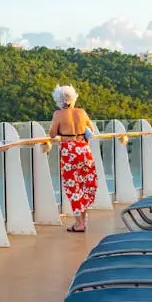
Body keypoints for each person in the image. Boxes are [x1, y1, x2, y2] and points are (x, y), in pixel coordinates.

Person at [46, 84, 98, 232]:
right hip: (83, 148)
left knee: (73, 186)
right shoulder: (82, 112)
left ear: (58, 100)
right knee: (86, 183)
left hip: (69, 150)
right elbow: (91, 129)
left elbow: (52, 133)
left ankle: (79, 223)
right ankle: (83, 220)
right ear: (73, 97)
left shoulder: (58, 114)